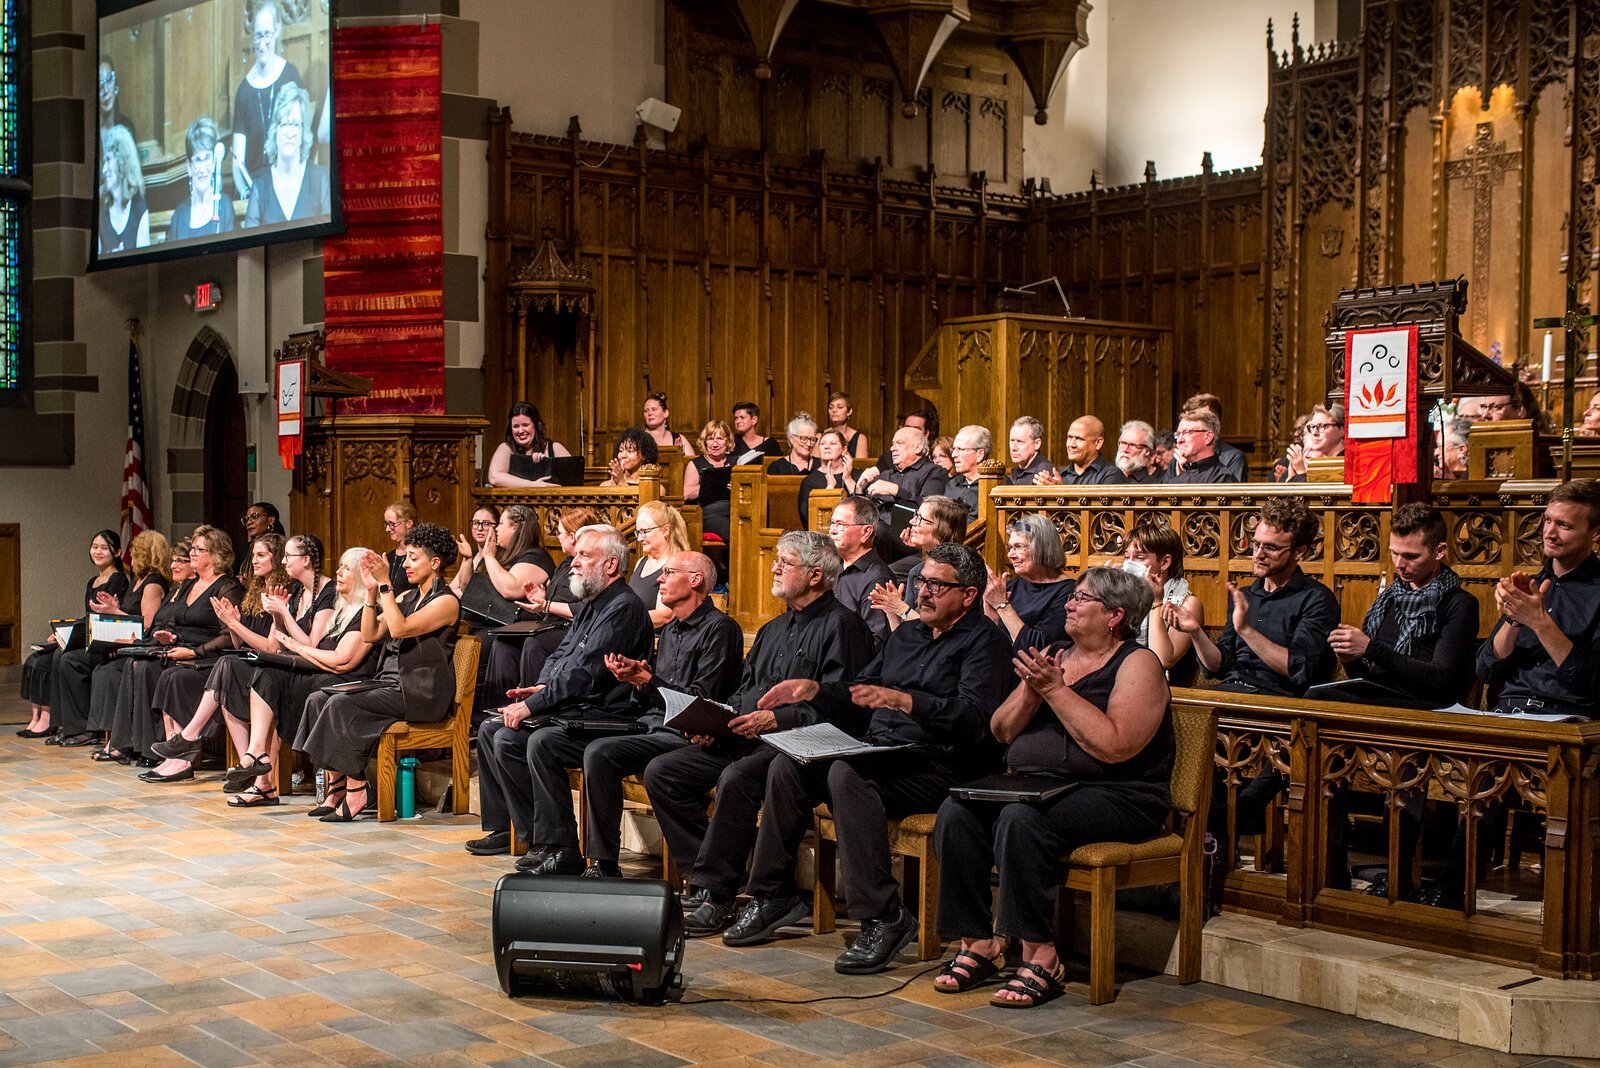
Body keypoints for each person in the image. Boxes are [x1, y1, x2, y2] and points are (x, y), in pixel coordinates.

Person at [723, 544, 1014, 973]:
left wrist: (907, 702)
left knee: (847, 773)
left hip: (941, 763)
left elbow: (976, 722)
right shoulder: (908, 635)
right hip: (885, 751)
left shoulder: (985, 643)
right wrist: (817, 689)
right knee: (789, 763)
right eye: (921, 582)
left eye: (937, 584)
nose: (923, 593)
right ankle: (772, 894)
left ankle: (883, 915)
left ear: (969, 596)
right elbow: (861, 690)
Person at [932, 567, 1171, 1005]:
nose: (1069, 604)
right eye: (1072, 596)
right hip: (1036, 786)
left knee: (1021, 821)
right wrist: (1031, 693)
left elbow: (1115, 746)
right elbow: (1001, 730)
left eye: (1082, 599)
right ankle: (977, 942)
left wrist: (1056, 692)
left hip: (1121, 795)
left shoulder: (1138, 663)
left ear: (1115, 615)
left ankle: (1040, 955)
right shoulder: (1055, 653)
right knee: (957, 813)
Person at [643, 531, 873, 936]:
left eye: (785, 562)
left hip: (807, 744)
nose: (774, 567)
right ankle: (707, 877)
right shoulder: (773, 628)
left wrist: (777, 721)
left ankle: (724, 892)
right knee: (664, 771)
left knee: (739, 777)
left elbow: (846, 704)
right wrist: (717, 721)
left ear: (816, 574)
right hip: (751, 736)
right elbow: (745, 691)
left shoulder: (844, 627)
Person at [490, 552, 743, 875]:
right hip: (647, 725)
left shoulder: (720, 629)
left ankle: (604, 861)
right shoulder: (670, 632)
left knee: (599, 752)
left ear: (695, 580)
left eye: (668, 573)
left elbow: (700, 701)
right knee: (545, 740)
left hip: (683, 735)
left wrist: (646, 681)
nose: (660, 580)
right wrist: (637, 679)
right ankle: (558, 847)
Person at [473, 526, 652, 870]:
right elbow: (561, 656)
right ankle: (540, 841)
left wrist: (533, 705)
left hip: (607, 716)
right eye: (576, 555)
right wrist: (540, 688)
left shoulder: (624, 608)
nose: (573, 562)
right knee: (494, 732)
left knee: (541, 741)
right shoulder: (591, 605)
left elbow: (585, 673)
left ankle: (564, 848)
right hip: (577, 708)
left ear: (612, 565)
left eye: (585, 556)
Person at [295, 524, 461, 822]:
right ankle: (337, 787)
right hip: (389, 684)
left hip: (419, 692)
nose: (406, 564)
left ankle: (358, 789)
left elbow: (400, 629)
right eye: (406, 558)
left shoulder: (446, 601)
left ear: (434, 563)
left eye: (413, 558)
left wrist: (385, 585)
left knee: (340, 704)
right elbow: (371, 633)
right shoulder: (406, 597)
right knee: (320, 698)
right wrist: (371, 593)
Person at [230, 547, 377, 812]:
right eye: (339, 566)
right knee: (266, 673)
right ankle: (256, 752)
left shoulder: (366, 611)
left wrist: (298, 648)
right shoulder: (340, 610)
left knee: (314, 695)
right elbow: (321, 653)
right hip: (324, 675)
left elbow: (344, 661)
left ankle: (337, 787)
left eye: (346, 568)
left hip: (349, 681)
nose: (339, 573)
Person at [137, 533, 293, 783]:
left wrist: (233, 625)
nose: (254, 560)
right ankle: (244, 765)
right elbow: (238, 643)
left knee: (223, 667)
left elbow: (271, 648)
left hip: (271, 668)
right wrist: (233, 626)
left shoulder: (281, 592)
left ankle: (190, 739)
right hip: (250, 662)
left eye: (261, 555)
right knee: (204, 671)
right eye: (253, 555)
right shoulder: (255, 591)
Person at [1168, 497, 1338, 697]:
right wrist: (1195, 631)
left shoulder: (1316, 598)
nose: (1258, 554)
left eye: (1271, 547)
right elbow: (1217, 667)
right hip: (1233, 690)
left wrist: (1246, 630)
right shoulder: (1245, 596)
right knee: (1169, 700)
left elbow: (1299, 669)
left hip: (1279, 700)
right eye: (1256, 544)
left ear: (1298, 551)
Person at [101, 527, 244, 763]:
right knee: (137, 663)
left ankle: (175, 756)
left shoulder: (226, 587)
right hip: (179, 650)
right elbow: (173, 620)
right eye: (193, 549)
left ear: (216, 554)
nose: (193, 554)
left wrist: (194, 651)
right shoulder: (189, 585)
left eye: (199, 550)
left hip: (208, 658)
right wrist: (169, 636)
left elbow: (229, 635)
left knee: (168, 675)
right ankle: (141, 746)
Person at [1325, 504, 1479, 708]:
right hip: (1382, 699)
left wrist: (1370, 648)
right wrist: (1350, 659)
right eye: (1394, 553)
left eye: (1411, 556)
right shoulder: (1389, 598)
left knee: (1324, 700)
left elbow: (1440, 677)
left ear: (1439, 551)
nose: (1398, 564)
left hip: (1428, 705)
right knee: (1318, 696)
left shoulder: (1459, 604)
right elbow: (1368, 678)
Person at [1477, 478, 1600, 719]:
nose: (1550, 533)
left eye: (1564, 525)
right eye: (1548, 520)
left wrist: (1540, 622)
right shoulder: (1530, 585)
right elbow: (1485, 670)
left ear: (1595, 533)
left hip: (1566, 719)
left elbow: (1593, 682)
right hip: (1507, 711)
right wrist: (1514, 619)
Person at [51, 531, 172, 748]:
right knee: (65, 657)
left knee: (76, 662)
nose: (131, 558)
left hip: (133, 647)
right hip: (118, 643)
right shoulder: (137, 581)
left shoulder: (153, 583)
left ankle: (95, 731)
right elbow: (123, 614)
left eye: (135, 553)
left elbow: (146, 625)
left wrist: (115, 611)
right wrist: (112, 608)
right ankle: (75, 726)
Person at [480, 506, 596, 715]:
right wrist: (542, 598)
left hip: (572, 629)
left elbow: (586, 609)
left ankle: (534, 709)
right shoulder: (565, 565)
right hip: (550, 623)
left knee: (535, 644)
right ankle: (497, 710)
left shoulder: (590, 567)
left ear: (573, 536)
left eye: (559, 533)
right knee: (503, 643)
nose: (557, 537)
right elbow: (551, 601)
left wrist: (547, 605)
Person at [19, 530, 128, 738]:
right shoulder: (92, 581)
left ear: (117, 552)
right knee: (44, 656)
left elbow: (104, 617)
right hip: (88, 634)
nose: (98, 551)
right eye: (95, 546)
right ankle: (59, 723)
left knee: (64, 657)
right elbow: (86, 616)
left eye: (104, 548)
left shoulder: (118, 579)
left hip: (103, 640)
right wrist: (63, 632)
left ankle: (80, 726)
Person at [231, 0, 304, 200]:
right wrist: (245, 193)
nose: (261, 43)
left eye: (266, 35)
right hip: (255, 188)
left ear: (277, 31)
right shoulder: (244, 92)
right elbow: (237, 162)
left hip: (288, 180)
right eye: (257, 36)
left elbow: (301, 138)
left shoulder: (291, 76)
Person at [868, 495, 967, 634]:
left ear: (941, 528)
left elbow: (939, 630)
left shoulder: (959, 571)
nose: (911, 521)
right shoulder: (916, 571)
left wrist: (900, 608)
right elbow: (905, 634)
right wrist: (890, 609)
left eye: (920, 518)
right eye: (915, 515)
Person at [1123, 521, 1203, 687]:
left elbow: (1162, 660)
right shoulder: (1126, 594)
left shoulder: (1187, 603)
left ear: (1165, 563)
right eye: (1126, 557)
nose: (1129, 565)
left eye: (1139, 557)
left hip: (1160, 687)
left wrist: (1156, 602)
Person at [243, 82, 331, 227]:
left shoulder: (320, 178)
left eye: (295, 124)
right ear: (275, 130)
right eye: (284, 124)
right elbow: (249, 246)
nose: (290, 133)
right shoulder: (260, 187)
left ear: (303, 130)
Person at [984, 513, 1075, 651]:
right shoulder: (1009, 587)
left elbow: (1038, 648)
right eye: (1010, 548)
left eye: (1018, 547)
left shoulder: (1069, 592)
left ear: (1042, 547)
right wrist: (992, 619)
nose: (1010, 555)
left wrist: (1003, 607)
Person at [827, 496, 896, 646]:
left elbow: (876, 641)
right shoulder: (831, 566)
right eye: (832, 523)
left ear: (866, 532)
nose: (832, 530)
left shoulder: (877, 578)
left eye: (840, 525)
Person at [168, 117, 236, 242]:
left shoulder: (225, 207)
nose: (203, 169)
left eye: (207, 158)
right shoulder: (179, 216)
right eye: (198, 160)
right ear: (189, 167)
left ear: (215, 161)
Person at [630, 500, 692, 629]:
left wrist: (624, 619)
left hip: (657, 639)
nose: (640, 538)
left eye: (645, 531)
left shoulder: (675, 565)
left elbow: (664, 615)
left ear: (665, 530)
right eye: (638, 532)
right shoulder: (641, 562)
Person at [858, 426, 948, 513]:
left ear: (918, 448)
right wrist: (859, 490)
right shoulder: (886, 475)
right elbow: (862, 514)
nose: (892, 449)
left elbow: (929, 510)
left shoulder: (934, 472)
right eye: (893, 444)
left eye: (900, 443)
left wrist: (897, 491)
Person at [486, 403, 572, 487]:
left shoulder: (554, 448)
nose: (520, 431)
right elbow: (494, 478)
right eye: (516, 426)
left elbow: (573, 477)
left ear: (536, 425)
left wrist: (546, 464)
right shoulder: (506, 448)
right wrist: (532, 484)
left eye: (525, 425)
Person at [98, 125, 149, 254]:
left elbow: (145, 264)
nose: (104, 170)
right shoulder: (100, 207)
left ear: (122, 163)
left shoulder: (139, 208)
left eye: (108, 160)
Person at [685, 419, 735, 541]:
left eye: (719, 439)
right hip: (709, 513)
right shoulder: (696, 463)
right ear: (705, 442)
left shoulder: (736, 462)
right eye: (711, 439)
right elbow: (687, 494)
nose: (715, 444)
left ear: (727, 441)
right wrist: (711, 484)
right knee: (733, 532)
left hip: (735, 509)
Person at [798, 428, 859, 527]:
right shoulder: (809, 481)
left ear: (844, 449)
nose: (826, 446)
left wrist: (848, 480)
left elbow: (864, 513)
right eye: (822, 444)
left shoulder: (857, 476)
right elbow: (808, 517)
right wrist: (829, 489)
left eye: (832, 444)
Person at [1160, 408, 1240, 484]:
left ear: (1208, 437)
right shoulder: (1175, 482)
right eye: (1178, 434)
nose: (1179, 440)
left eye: (1188, 432)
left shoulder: (1222, 479)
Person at [1181, 393, 1247, 481]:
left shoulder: (1233, 457)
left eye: (1202, 418)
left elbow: (1231, 492)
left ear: (1215, 421)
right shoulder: (1180, 453)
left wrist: (1188, 470)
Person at [1280, 404, 1345, 482]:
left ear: (1342, 430)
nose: (1314, 433)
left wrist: (1300, 473)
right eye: (1313, 427)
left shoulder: (1347, 464)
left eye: (1322, 426)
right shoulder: (1320, 464)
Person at [1055, 415, 1126, 485]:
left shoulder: (1111, 476)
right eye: (1070, 437)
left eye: (1079, 439)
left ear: (1098, 443)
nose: (1072, 445)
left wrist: (1060, 491)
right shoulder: (1061, 476)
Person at [449, 506, 501, 595]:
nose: (480, 528)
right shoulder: (472, 553)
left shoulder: (498, 557)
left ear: (497, 527)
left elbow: (472, 594)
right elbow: (454, 586)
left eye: (486, 523)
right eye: (476, 523)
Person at [945, 425, 991, 521]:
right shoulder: (952, 485)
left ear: (979, 454)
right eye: (954, 449)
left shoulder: (995, 486)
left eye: (961, 449)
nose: (953, 455)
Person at [642, 391, 696, 457]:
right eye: (646, 411)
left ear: (665, 413)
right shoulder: (638, 439)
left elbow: (692, 464)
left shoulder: (679, 439)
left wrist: (679, 457)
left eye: (654, 409)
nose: (649, 413)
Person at [96, 59, 136, 147]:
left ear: (116, 87)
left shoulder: (127, 127)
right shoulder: (89, 132)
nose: (105, 90)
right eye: (99, 84)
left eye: (109, 79)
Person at [1005, 417, 1056, 485]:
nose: (1014, 448)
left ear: (1037, 444)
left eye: (1020, 442)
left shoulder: (1044, 475)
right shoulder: (1015, 472)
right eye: (1012, 441)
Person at [381, 501, 418, 593]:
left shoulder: (420, 555)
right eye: (386, 524)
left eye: (392, 524)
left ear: (409, 523)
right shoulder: (389, 557)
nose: (387, 529)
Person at [826, 391, 871, 458]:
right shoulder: (822, 436)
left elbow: (860, 466)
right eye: (831, 407)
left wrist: (844, 447)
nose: (834, 410)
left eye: (840, 407)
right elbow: (816, 465)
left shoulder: (860, 438)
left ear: (849, 411)